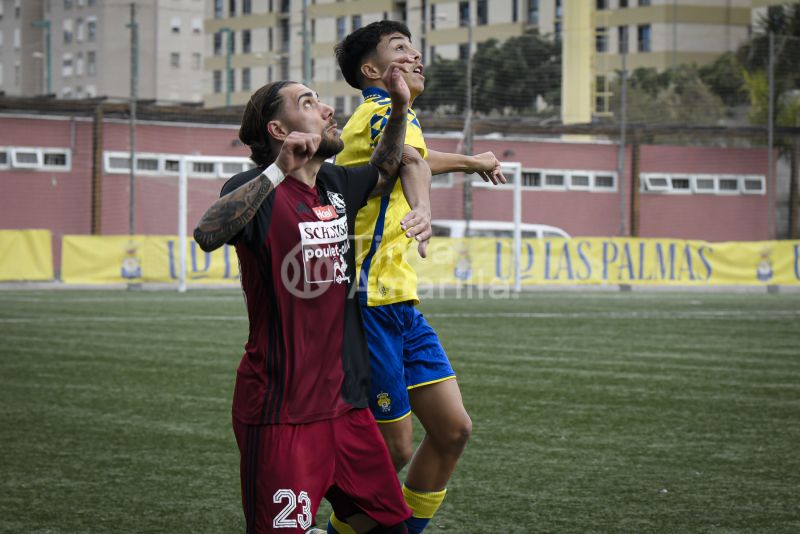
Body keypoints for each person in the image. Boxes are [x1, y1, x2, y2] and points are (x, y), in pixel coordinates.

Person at [193, 58, 432, 534]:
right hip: (281, 412)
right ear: (278, 129)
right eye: (308, 102)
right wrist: (279, 170)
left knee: (389, 528)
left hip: (347, 408)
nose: (326, 109)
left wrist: (401, 109)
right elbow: (208, 232)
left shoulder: (335, 183)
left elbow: (387, 163)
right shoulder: (252, 189)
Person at [330, 20, 506, 534]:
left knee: (452, 430)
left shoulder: (398, 113)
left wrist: (472, 161)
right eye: (400, 49)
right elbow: (409, 160)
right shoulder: (378, 110)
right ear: (371, 70)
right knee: (393, 448)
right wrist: (425, 206)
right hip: (367, 303)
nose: (416, 56)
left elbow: (419, 156)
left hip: (400, 303)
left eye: (414, 48)